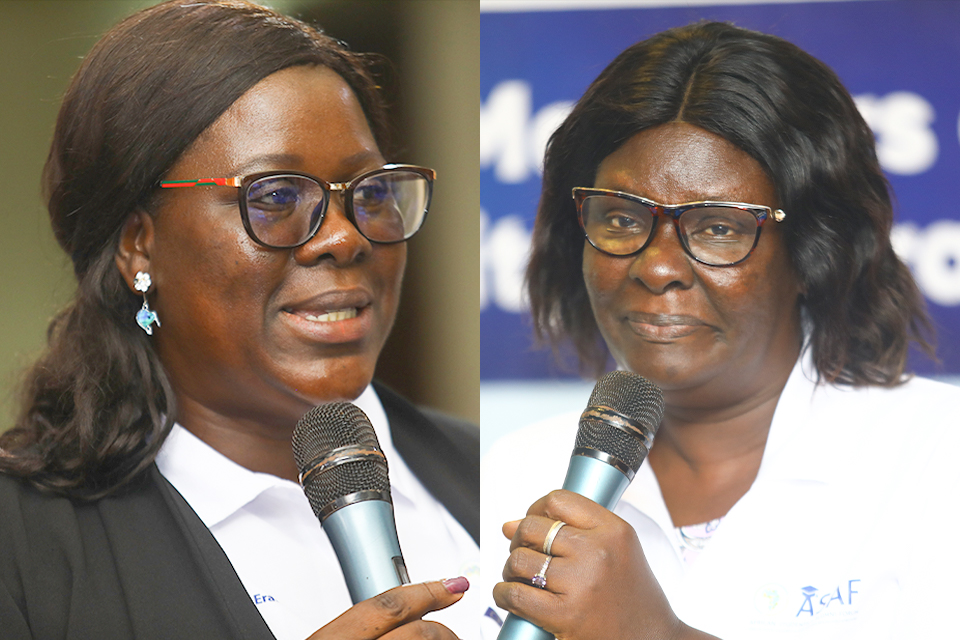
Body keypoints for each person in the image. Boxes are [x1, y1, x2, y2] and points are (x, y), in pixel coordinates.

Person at [0, 2, 479, 639]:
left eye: (369, 193)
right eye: (275, 196)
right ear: (140, 243)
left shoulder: (499, 475)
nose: (343, 237)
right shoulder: (23, 545)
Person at [481, 21, 960, 640]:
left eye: (717, 228)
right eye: (623, 218)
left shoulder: (937, 457)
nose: (656, 267)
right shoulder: (514, 472)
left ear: (815, 252)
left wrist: (658, 635)